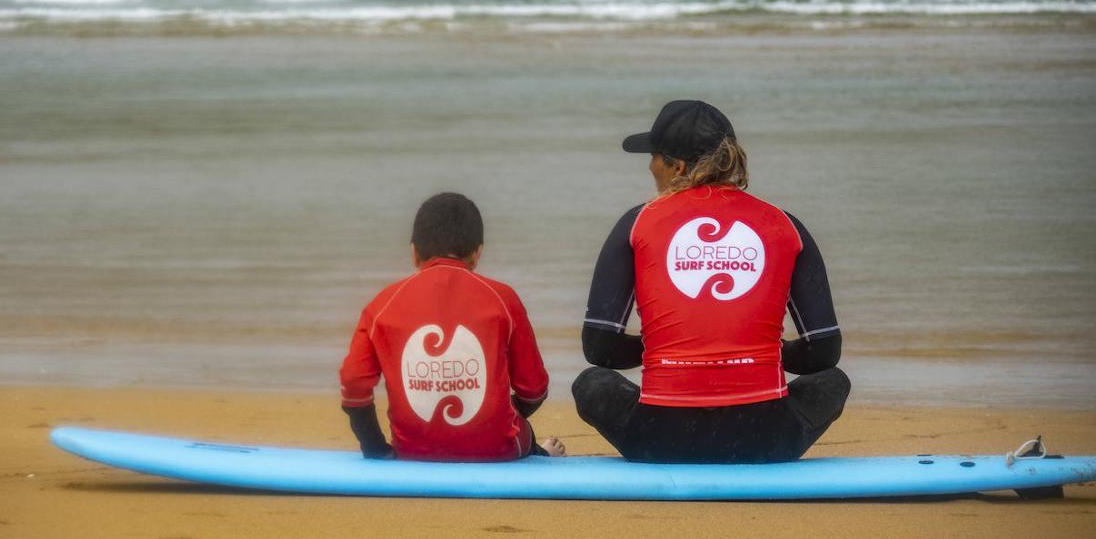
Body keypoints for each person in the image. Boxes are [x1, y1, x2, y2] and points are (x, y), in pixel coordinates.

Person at [573, 100, 850, 463]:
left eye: (655, 155)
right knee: (834, 381)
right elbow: (824, 352)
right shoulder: (785, 225)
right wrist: (751, 354)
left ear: (678, 166)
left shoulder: (636, 223)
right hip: (765, 438)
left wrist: (667, 348)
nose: (650, 165)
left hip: (661, 438)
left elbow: (600, 349)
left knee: (591, 383)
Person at [339, 192, 564, 461]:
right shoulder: (502, 298)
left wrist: (375, 449)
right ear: (477, 253)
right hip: (497, 450)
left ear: (413, 252)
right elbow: (534, 388)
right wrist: (487, 415)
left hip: (412, 450)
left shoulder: (382, 304)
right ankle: (542, 454)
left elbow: (353, 384)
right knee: (521, 430)